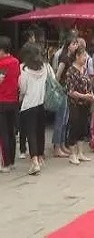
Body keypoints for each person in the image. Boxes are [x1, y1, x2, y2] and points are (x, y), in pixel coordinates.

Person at [18, 44, 49, 175]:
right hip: (41, 103)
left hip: (28, 104)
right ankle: (40, 157)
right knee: (39, 131)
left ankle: (34, 161)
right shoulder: (44, 67)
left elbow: (23, 88)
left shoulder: (24, 69)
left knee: (30, 133)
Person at [0, 36, 20, 172]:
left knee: (3, 133)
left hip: (1, 101)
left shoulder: (1, 64)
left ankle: (5, 163)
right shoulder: (16, 62)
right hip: (13, 101)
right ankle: (11, 161)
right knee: (11, 132)